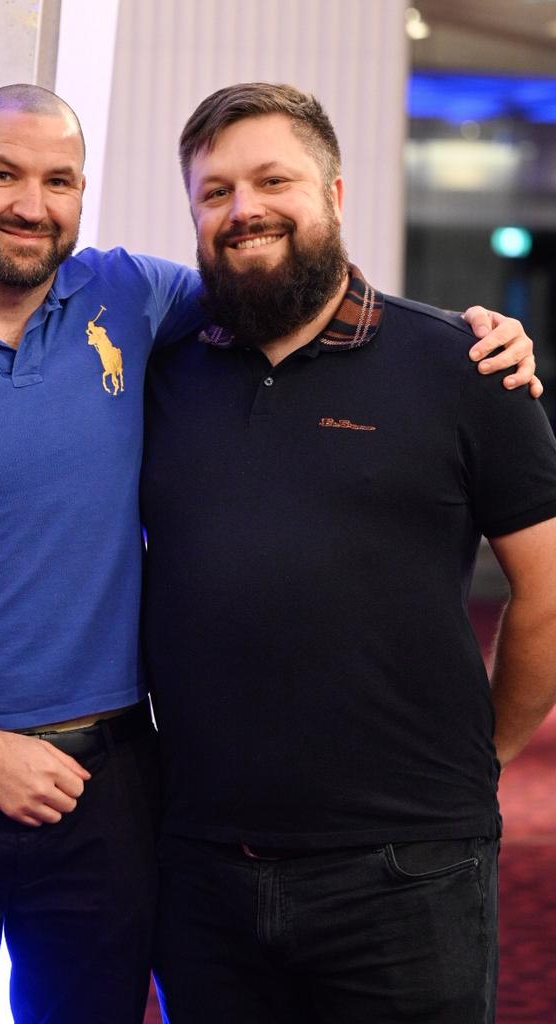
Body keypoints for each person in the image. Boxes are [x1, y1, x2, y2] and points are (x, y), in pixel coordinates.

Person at [0, 83, 539, 1024]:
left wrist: (473, 338)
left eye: (58, 179)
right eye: (3, 174)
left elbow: (289, 290)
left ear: (82, 192)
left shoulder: (133, 299)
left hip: (115, 791)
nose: (31, 202)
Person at [141, 83, 556, 1024]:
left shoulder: (467, 367)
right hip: (203, 866)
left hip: (406, 872)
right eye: (215, 192)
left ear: (333, 192)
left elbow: (548, 591)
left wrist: (485, 751)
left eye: (272, 179)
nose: (244, 209)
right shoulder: (162, 369)